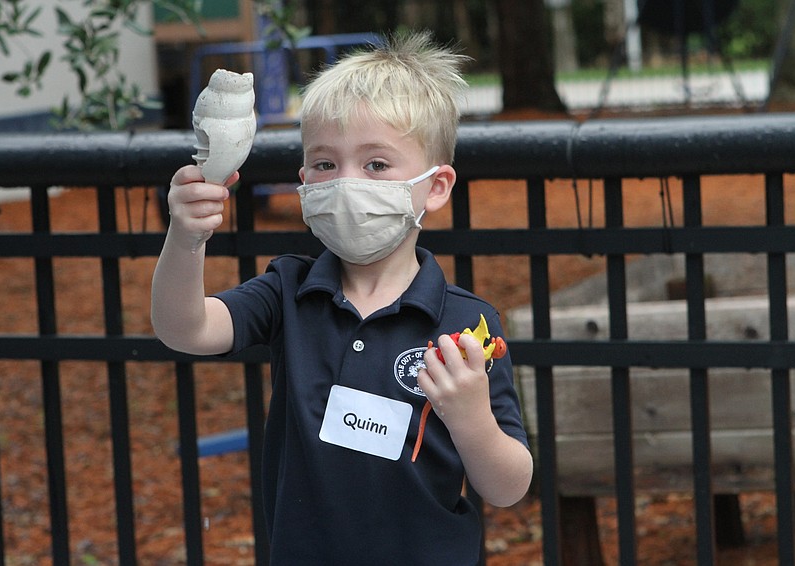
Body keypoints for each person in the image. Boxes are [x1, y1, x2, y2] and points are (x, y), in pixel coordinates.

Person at [151, 31, 533, 565]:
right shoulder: (288, 289)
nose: (347, 183)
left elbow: (508, 485)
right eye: (326, 166)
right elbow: (184, 328)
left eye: (377, 165)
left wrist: (471, 416)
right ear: (304, 181)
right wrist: (186, 237)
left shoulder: (468, 322)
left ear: (437, 186)